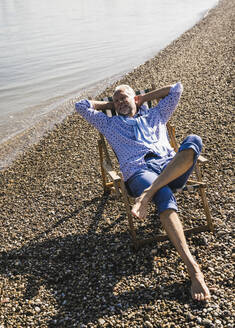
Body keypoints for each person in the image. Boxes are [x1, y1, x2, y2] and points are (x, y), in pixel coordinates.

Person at [75, 82, 211, 301]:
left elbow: (177, 88)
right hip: (139, 172)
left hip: (170, 166)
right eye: (116, 100)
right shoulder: (109, 124)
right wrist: (110, 103)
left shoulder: (156, 114)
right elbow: (81, 106)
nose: (119, 102)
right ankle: (193, 269)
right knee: (164, 194)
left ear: (135, 100)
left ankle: (147, 195)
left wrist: (143, 98)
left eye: (124, 98)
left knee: (194, 139)